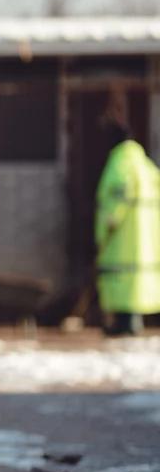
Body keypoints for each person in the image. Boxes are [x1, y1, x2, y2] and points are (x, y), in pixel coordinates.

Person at [95, 122, 160, 336]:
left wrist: (107, 227)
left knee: (121, 277)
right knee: (135, 279)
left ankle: (126, 324)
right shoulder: (144, 164)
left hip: (123, 237)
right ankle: (131, 322)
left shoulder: (120, 163)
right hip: (146, 237)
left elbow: (116, 200)